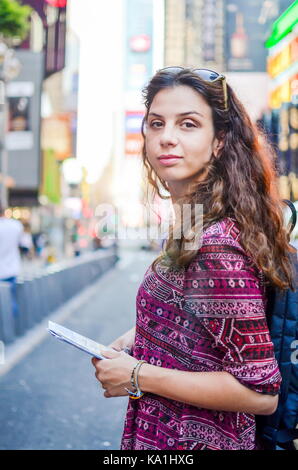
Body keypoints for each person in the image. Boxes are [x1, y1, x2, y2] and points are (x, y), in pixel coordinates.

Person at [91, 67, 296, 450]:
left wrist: (137, 374)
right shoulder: (192, 222)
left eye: (188, 124)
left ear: (219, 142)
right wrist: (145, 335)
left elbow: (259, 392)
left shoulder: (215, 244)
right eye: (156, 123)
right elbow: (204, 316)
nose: (167, 137)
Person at [0, 203, 24, 317]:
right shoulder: (16, 225)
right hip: (12, 269)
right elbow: (23, 244)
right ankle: (11, 330)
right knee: (11, 301)